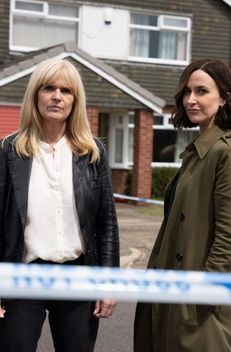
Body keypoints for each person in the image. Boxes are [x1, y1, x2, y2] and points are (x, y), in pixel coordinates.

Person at [0, 57, 119, 352]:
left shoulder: (92, 152)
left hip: (78, 277)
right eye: (49, 88)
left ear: (75, 101)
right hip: (22, 278)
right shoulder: (9, 151)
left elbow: (106, 223)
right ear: (35, 95)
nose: (57, 96)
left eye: (66, 91)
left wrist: (109, 283)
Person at [134, 59, 231, 352]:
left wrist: (205, 293)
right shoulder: (197, 152)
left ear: (224, 97)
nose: (191, 100)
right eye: (187, 91)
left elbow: (230, 237)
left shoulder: (226, 154)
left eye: (202, 91)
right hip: (173, 291)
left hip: (199, 305)